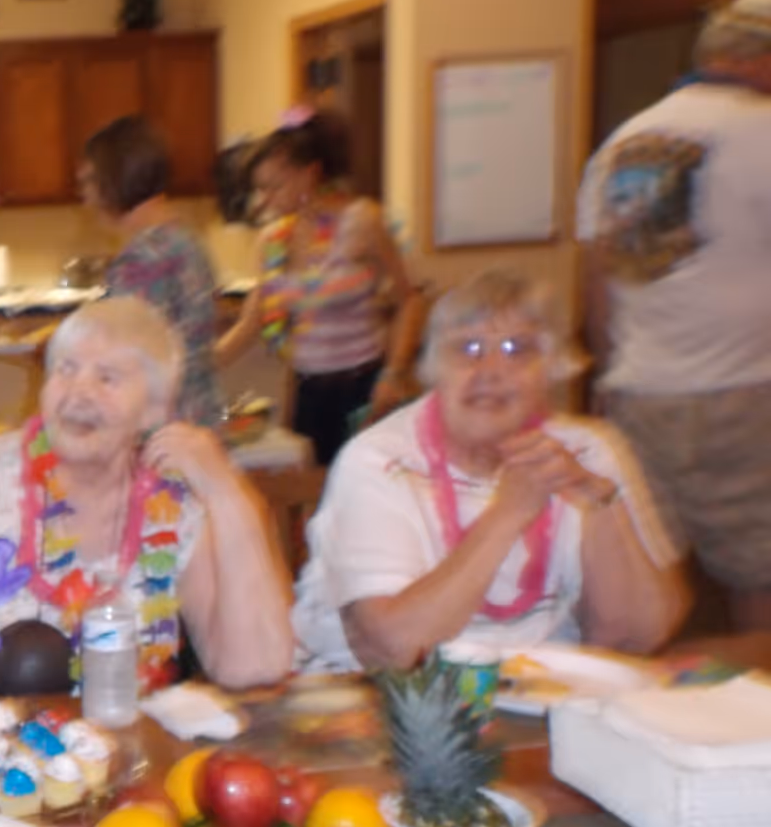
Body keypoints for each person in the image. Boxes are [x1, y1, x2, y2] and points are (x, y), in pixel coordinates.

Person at [0, 297, 293, 692]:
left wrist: (226, 489)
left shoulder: (176, 510)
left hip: (124, 763)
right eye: (65, 369)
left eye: (108, 377)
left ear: (155, 410)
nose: (80, 391)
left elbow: (253, 668)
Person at [292, 271, 688, 673]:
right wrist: (509, 513)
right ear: (434, 369)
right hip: (380, 704)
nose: (493, 370)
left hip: (542, 704)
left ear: (550, 369)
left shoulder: (589, 451)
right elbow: (394, 651)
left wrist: (600, 502)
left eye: (519, 348)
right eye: (469, 347)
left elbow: (638, 637)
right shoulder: (379, 461)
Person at [578, 0, 771, 632]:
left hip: (640, 393)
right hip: (745, 392)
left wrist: (608, 375)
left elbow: (598, 286)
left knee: (648, 573)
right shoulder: (763, 131)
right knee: (760, 574)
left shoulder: (621, 144)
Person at [216, 109, 424, 465]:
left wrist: (394, 373)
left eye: (273, 186)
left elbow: (411, 301)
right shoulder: (272, 241)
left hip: (363, 391)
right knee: (313, 504)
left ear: (309, 174)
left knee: (364, 493)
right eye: (259, 189)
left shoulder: (362, 221)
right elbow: (251, 323)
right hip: (307, 392)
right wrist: (192, 369)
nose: (264, 200)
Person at [82, 115, 223, 428]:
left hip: (160, 434)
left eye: (90, 181)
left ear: (116, 179)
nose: (86, 196)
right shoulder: (186, 240)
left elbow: (126, 361)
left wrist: (66, 358)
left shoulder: (142, 260)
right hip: (199, 422)